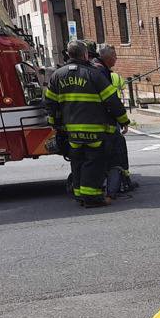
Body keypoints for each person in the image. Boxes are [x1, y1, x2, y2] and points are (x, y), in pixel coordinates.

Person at [45, 39, 129, 208]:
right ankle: (92, 198)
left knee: (77, 162)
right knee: (94, 162)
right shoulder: (93, 74)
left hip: (71, 132)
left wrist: (55, 124)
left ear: (68, 54)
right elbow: (111, 100)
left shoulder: (57, 76)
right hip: (95, 129)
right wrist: (123, 120)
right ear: (85, 54)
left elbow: (50, 103)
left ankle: (79, 196)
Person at [99, 45, 135, 197]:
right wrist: (124, 120)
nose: (116, 58)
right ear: (107, 57)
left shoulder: (103, 72)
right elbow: (112, 100)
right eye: (114, 56)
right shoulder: (101, 73)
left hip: (99, 120)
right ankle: (121, 183)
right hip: (107, 121)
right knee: (117, 150)